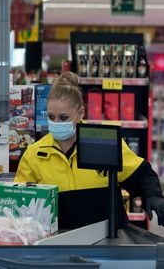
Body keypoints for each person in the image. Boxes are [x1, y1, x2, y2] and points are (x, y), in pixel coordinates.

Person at [14, 72, 164, 230]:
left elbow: (141, 173)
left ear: (80, 113)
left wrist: (153, 195)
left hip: (107, 243)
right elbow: (21, 200)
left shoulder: (105, 143)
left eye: (63, 118)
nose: (56, 123)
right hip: (57, 244)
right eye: (51, 117)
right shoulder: (33, 154)